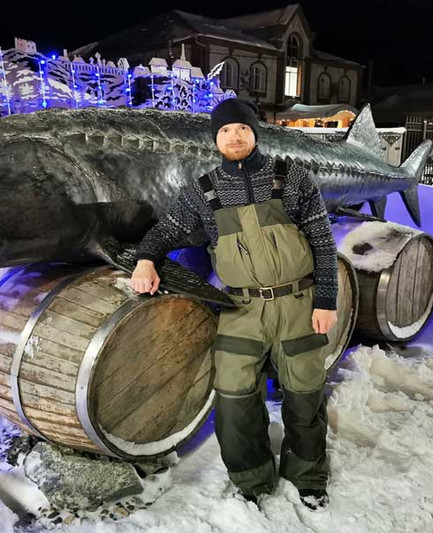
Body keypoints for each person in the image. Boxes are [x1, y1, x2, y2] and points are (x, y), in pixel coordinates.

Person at [130, 98, 339, 511]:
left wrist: (326, 299)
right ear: (216, 139)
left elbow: (322, 242)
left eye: (241, 128)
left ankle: (308, 474)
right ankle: (251, 478)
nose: (234, 136)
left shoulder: (292, 177)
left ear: (254, 132)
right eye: (225, 131)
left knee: (305, 396)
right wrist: (145, 258)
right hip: (241, 311)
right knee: (234, 402)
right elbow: (165, 231)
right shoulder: (202, 191)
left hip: (298, 303)